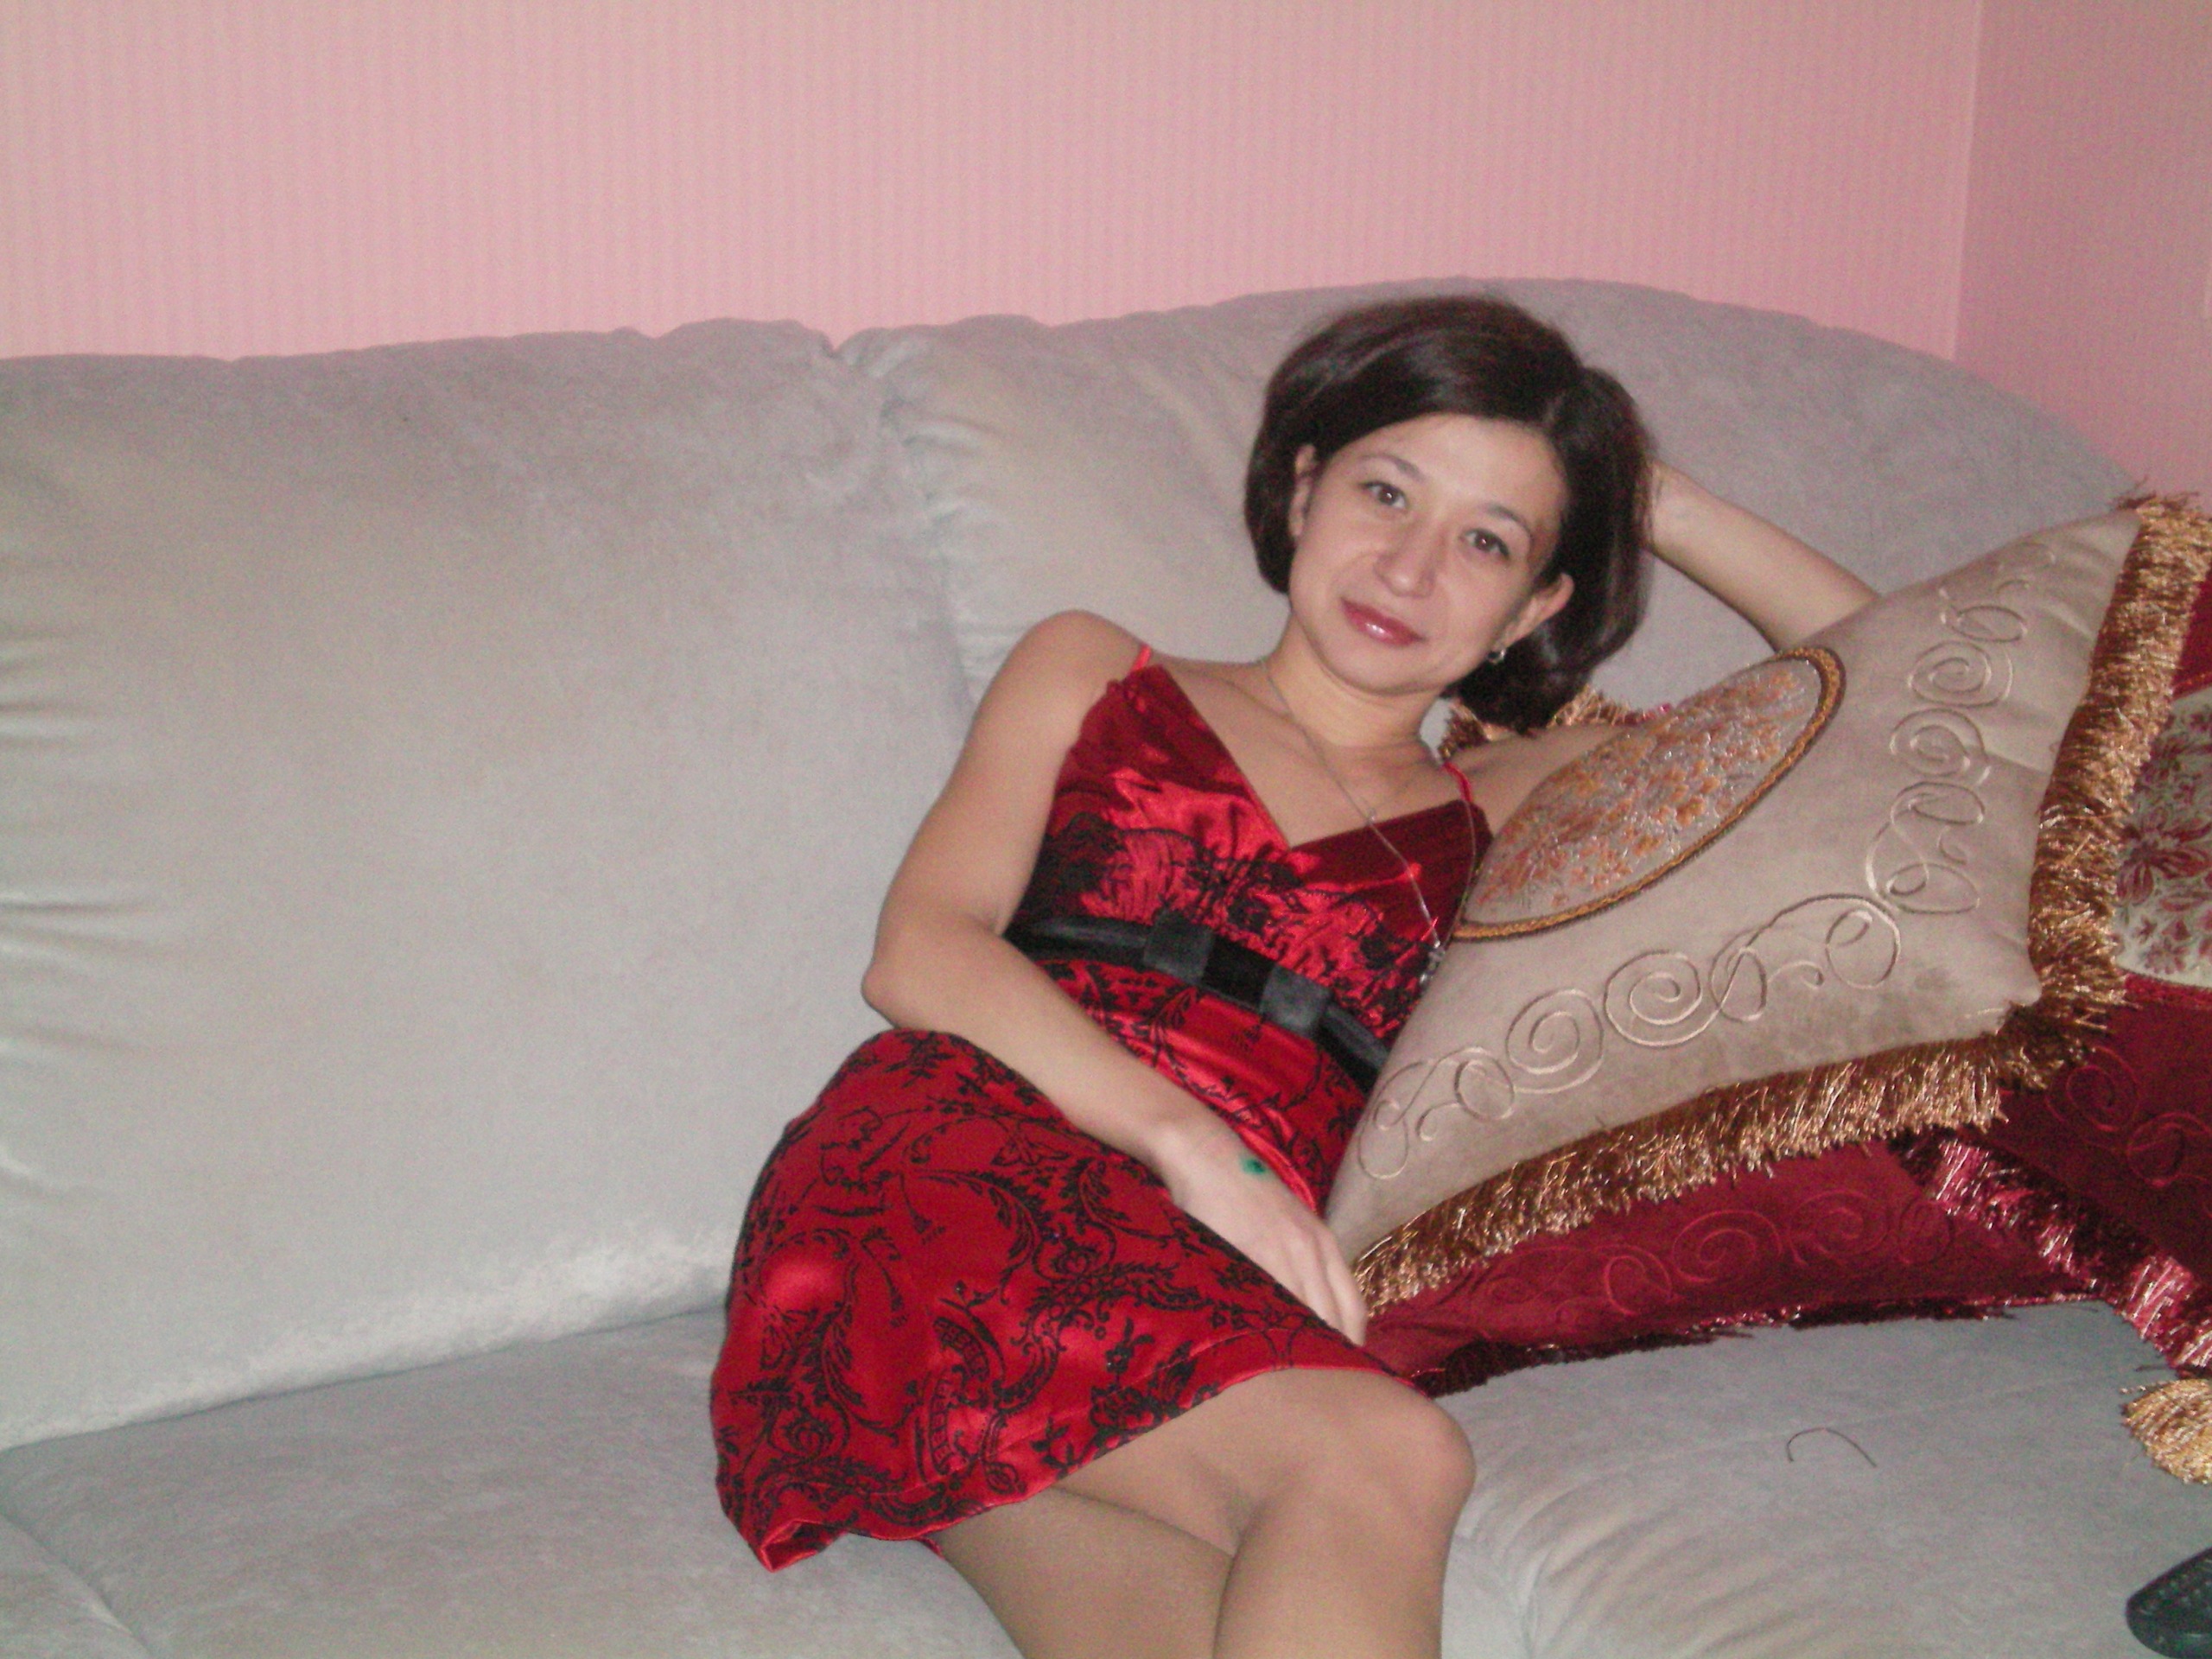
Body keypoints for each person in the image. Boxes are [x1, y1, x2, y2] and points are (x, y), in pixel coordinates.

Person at [710, 296, 1875, 1659]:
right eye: (1387, 492)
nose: (1410, 566)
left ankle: (938, 1445)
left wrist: (1632, 485)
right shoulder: (1095, 670)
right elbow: (919, 949)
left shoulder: (1517, 800)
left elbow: (1886, 688)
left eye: (1486, 541)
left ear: (1535, 605)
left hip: (1197, 1288)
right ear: (1307, 487)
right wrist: (1195, 1148)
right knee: (1390, 1454)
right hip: (955, 1165)